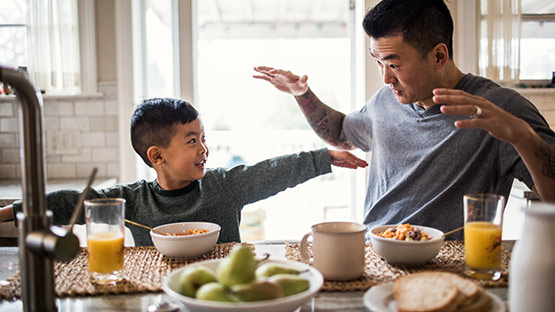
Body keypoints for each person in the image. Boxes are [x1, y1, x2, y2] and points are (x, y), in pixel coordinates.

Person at [253, 0, 555, 239]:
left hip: (448, 268)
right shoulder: (385, 100)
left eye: (394, 64)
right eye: (378, 62)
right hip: (373, 255)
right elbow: (341, 134)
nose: (385, 78)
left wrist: (522, 136)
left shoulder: (499, 108)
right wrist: (302, 93)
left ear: (439, 56)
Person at [0, 98, 368, 246]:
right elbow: (71, 203)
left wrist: (323, 158)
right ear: (157, 156)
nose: (204, 149)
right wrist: (11, 211)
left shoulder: (222, 186)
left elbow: (271, 171)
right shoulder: (131, 201)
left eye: (204, 138)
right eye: (192, 140)